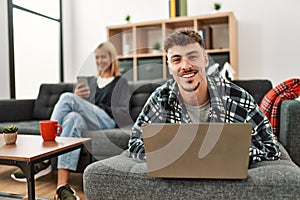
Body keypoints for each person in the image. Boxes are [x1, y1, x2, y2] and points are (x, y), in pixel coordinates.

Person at [128, 29, 281, 164]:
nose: (185, 66)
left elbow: (271, 146)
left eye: (192, 57)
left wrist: (234, 155)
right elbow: (135, 142)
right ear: (169, 66)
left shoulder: (238, 98)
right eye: (176, 60)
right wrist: (168, 155)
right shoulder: (160, 98)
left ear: (205, 59)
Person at [11, 41, 131, 200]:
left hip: (107, 120)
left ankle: (45, 156)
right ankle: (62, 187)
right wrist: (80, 99)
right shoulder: (92, 82)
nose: (100, 61)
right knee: (73, 118)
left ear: (112, 58)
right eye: (97, 58)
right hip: (86, 120)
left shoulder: (121, 82)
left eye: (103, 57)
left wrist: (85, 104)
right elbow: (80, 109)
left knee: (67, 97)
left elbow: (121, 113)